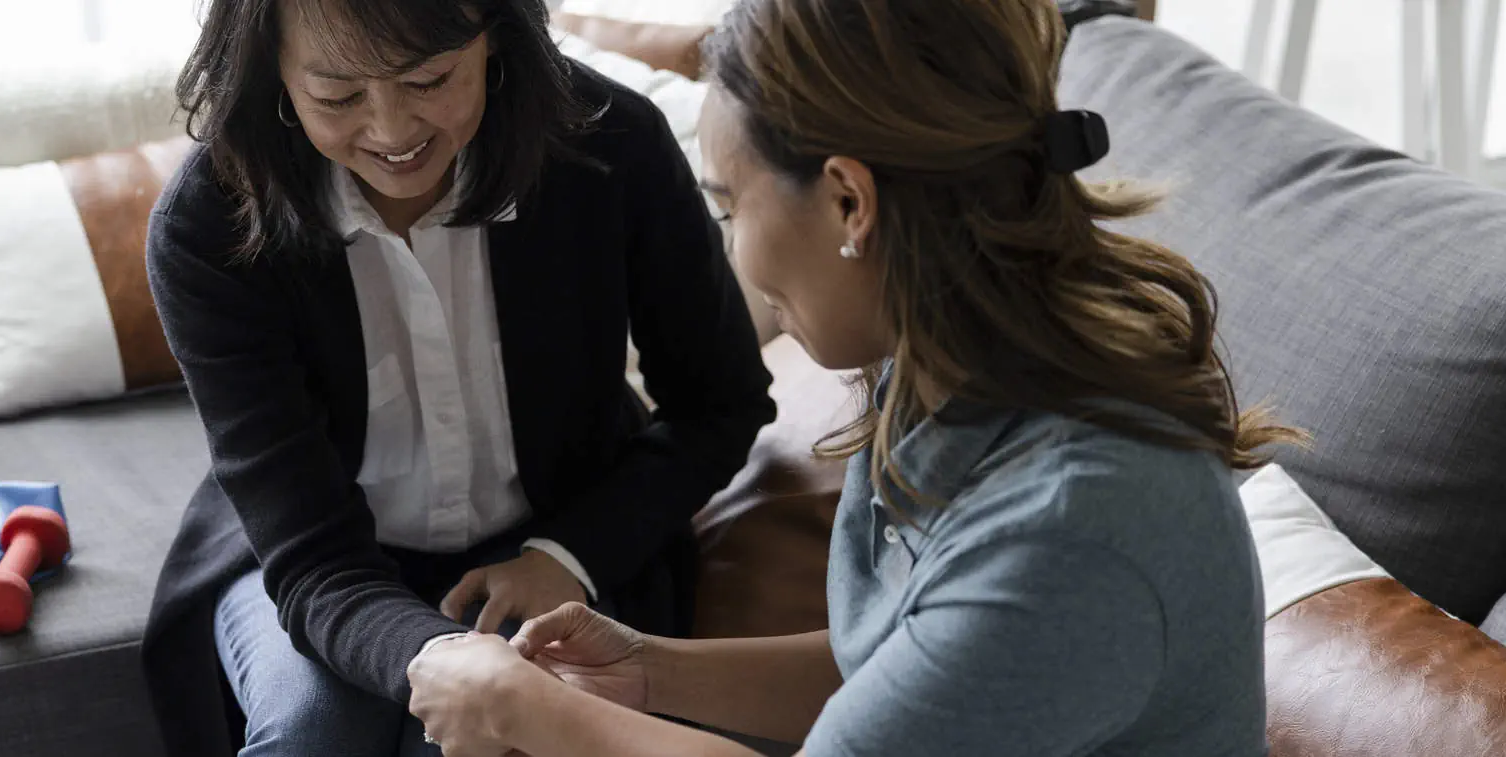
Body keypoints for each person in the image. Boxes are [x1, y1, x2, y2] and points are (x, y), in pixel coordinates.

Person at [405, 0, 1305, 755]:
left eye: (730, 206)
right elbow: (900, 671)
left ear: (849, 201)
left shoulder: (1077, 527)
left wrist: (524, 708)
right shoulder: (937, 376)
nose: (734, 250)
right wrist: (645, 669)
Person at [138, 0, 777, 754]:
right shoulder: (208, 224)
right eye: (338, 96)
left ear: (494, 36)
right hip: (313, 560)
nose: (391, 131)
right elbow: (312, 560)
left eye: (430, 81)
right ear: (272, 73)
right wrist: (441, 656)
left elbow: (720, 403)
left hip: (553, 540)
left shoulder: (612, 144)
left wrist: (566, 557)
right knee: (313, 731)